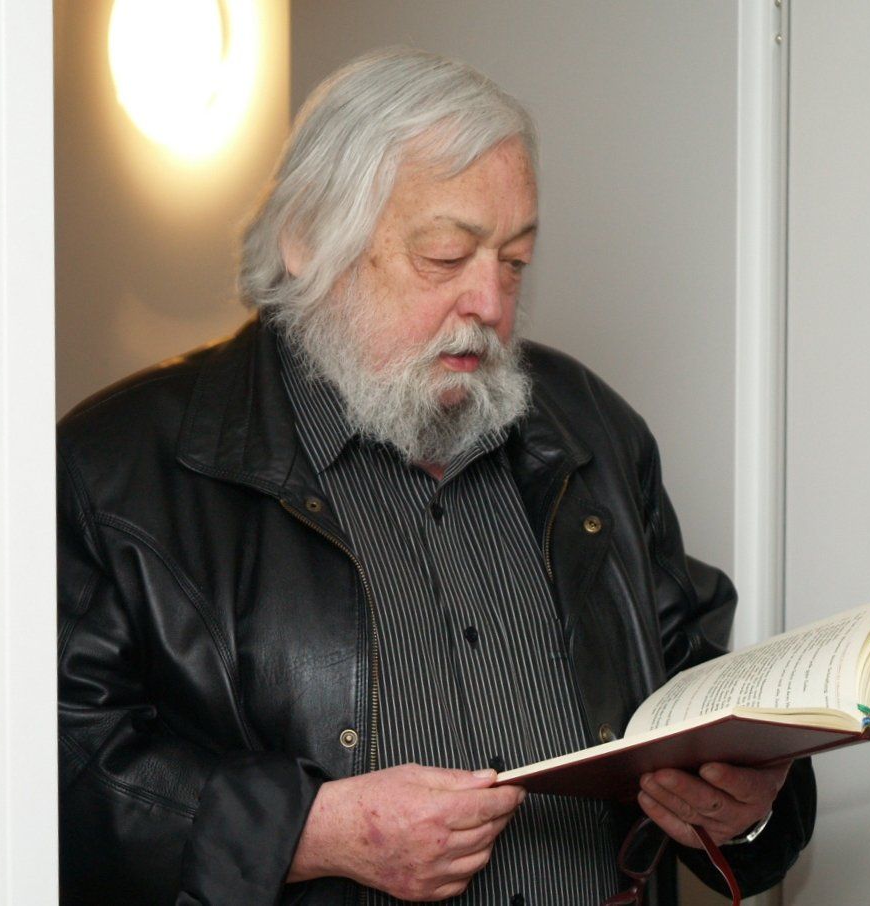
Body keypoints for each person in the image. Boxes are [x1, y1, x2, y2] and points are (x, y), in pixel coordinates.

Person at [57, 48, 815, 905]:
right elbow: (65, 774)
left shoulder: (593, 431)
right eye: (447, 257)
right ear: (307, 239)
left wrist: (748, 806)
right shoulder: (117, 468)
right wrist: (305, 833)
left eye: (514, 262)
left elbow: (695, 695)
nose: (490, 304)